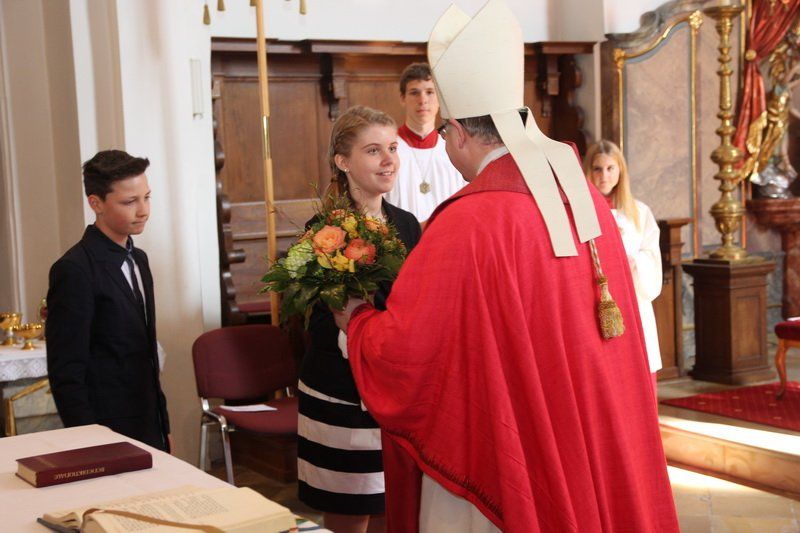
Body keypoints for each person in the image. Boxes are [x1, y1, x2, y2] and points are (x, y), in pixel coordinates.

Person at [332, 1, 679, 531]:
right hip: (583, 427)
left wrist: (356, 322)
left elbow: (410, 352)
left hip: (504, 448)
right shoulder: (582, 197)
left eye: (444, 135)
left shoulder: (470, 221)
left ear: (459, 132)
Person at [298, 105, 422, 533]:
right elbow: (322, 323)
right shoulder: (325, 230)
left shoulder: (407, 225)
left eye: (393, 148)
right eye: (373, 151)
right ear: (343, 161)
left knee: (397, 506)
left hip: (396, 389)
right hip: (342, 391)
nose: (389, 160)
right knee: (351, 511)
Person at [46, 150, 170, 452]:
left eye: (147, 198)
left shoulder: (139, 259)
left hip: (148, 422)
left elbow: (145, 353)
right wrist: (89, 440)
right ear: (96, 203)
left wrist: (162, 426)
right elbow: (66, 371)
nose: (143, 211)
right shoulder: (74, 269)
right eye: (129, 202)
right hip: (105, 427)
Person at [585, 139, 663, 388]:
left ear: (621, 170)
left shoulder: (639, 212)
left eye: (610, 168)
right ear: (588, 171)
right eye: (597, 169)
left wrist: (631, 259)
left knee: (637, 370)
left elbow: (651, 255)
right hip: (598, 298)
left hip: (633, 296)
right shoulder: (582, 213)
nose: (604, 176)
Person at [384, 62, 464, 223]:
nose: (423, 100)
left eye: (430, 92)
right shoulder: (388, 149)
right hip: (400, 236)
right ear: (402, 98)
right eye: (414, 93)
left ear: (440, 98)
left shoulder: (456, 149)